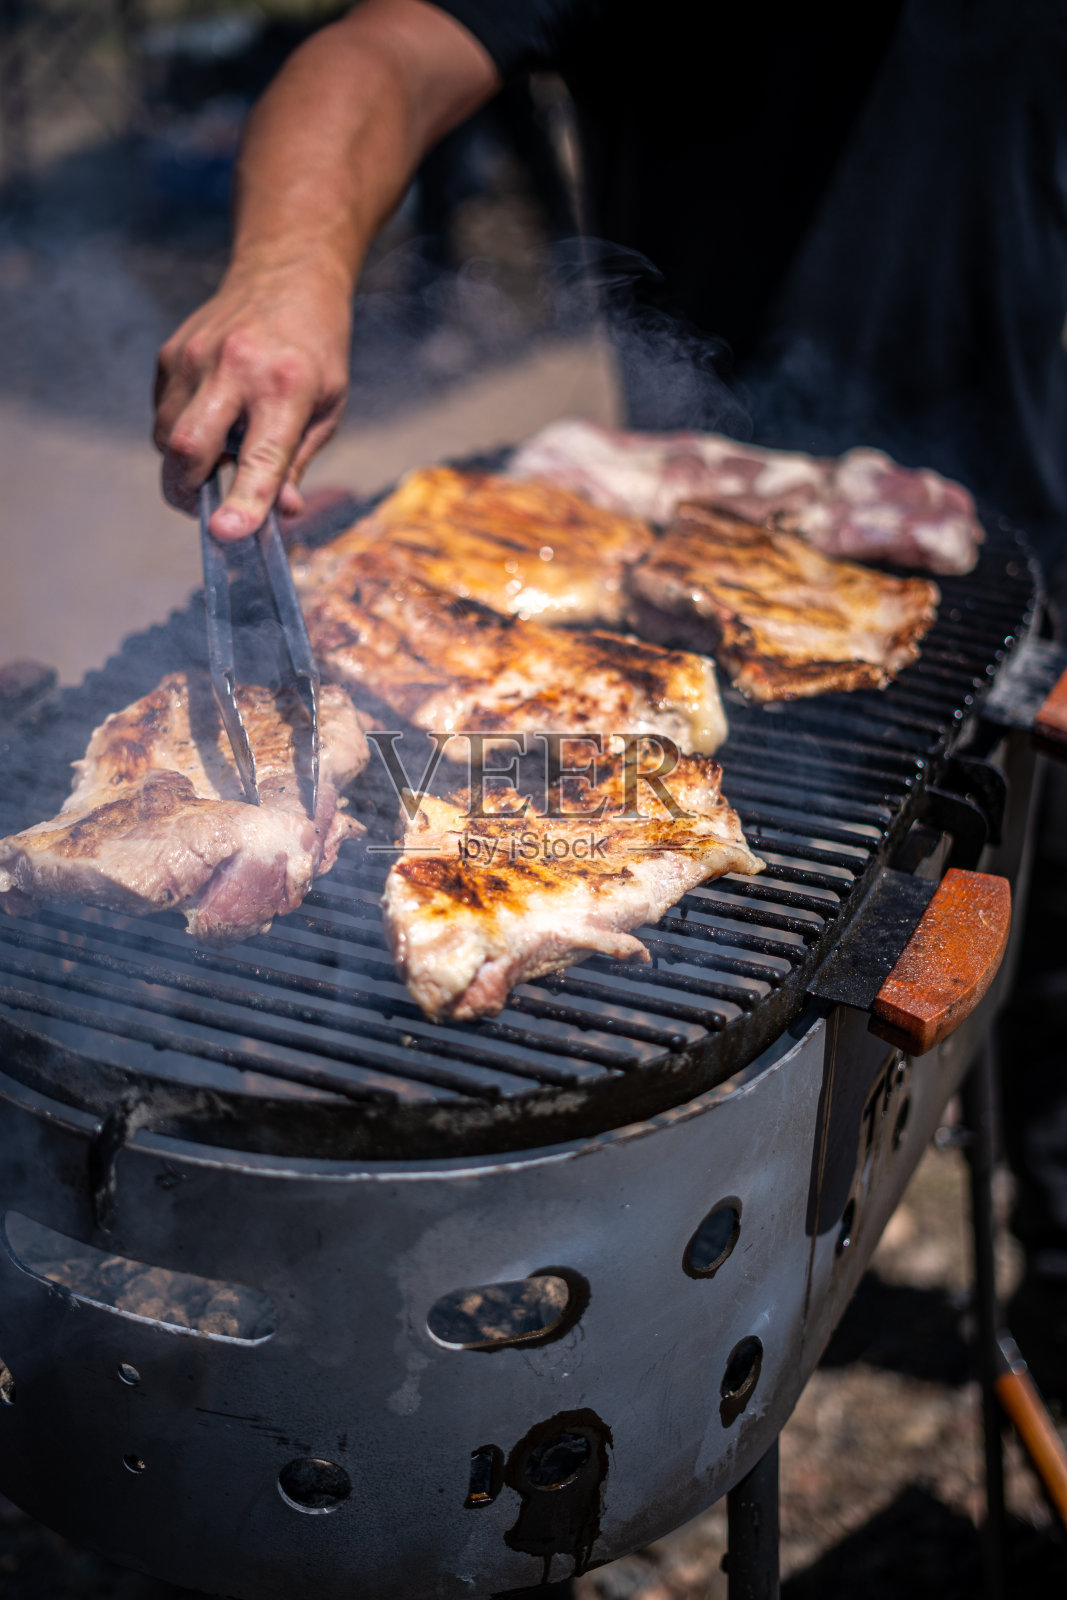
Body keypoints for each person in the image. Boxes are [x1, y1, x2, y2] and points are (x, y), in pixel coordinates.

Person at [153, 0, 1067, 1395]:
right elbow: (382, 51)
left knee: (1058, 1009)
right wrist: (285, 272)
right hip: (648, 546)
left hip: (1015, 570)